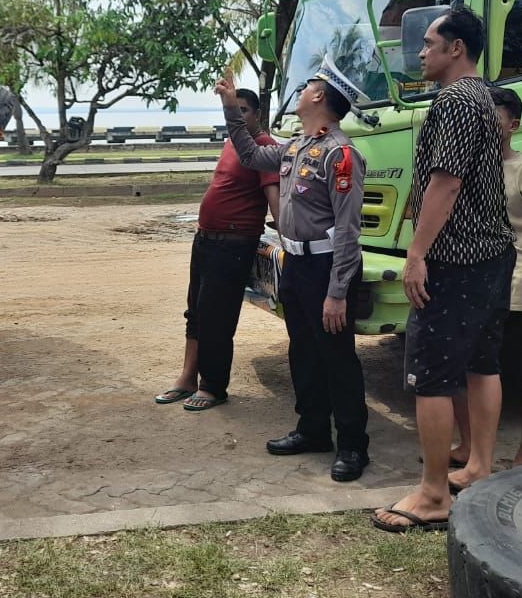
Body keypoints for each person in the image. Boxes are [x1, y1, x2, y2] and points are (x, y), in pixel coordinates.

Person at [373, 6, 515, 534]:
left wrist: (416, 253)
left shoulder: (455, 100)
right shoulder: (484, 95)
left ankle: (434, 494)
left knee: (431, 375)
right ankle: (478, 465)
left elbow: (446, 183)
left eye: (431, 43)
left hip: (456, 259)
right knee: (483, 363)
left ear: (457, 49)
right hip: (494, 252)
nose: (422, 51)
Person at [216, 58, 370, 481]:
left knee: (337, 356)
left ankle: (354, 446)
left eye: (307, 85)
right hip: (297, 263)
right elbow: (248, 153)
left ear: (319, 96)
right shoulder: (295, 147)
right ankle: (313, 429)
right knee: (302, 349)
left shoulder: (341, 154)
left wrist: (337, 292)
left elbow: (347, 231)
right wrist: (231, 106)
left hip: (327, 267)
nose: (300, 90)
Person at [448, 87, 522, 471]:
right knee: (467, 371)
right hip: (476, 289)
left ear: (513, 125)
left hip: (521, 293)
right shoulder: (461, 170)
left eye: (493, 119)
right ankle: (469, 449)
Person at [155, 89, 280, 412]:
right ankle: (187, 378)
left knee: (218, 318)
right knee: (195, 311)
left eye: (243, 111)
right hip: (206, 239)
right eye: (232, 110)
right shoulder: (231, 144)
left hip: (234, 244)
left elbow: (273, 195)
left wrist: (288, 236)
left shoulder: (263, 147)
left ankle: (213, 386)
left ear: (257, 115)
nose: (235, 117)